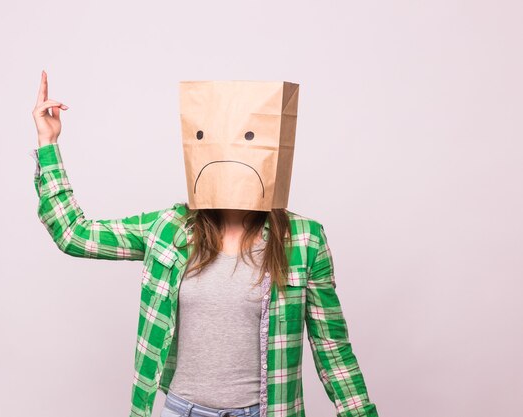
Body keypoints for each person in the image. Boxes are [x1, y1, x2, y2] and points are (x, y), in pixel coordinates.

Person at [30, 70, 379, 417]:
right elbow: (74, 233)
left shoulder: (304, 240)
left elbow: (332, 349)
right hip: (183, 410)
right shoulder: (169, 228)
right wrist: (49, 144)